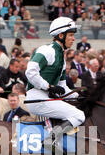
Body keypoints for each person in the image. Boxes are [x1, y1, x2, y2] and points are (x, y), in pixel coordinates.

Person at [25, 17, 85, 145]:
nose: (73, 39)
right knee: (79, 116)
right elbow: (30, 72)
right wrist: (48, 86)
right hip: (36, 97)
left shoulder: (62, 59)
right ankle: (50, 139)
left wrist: (78, 95)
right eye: (70, 35)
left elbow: (63, 88)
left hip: (45, 98)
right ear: (61, 35)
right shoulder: (47, 50)